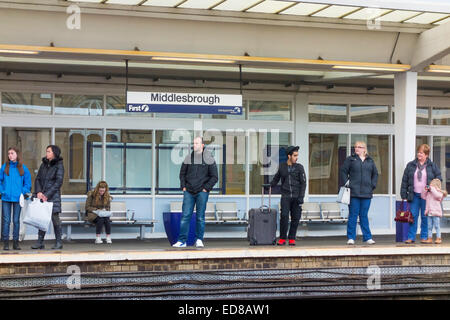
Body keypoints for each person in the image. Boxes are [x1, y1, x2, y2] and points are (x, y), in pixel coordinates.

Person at [172, 136, 218, 248]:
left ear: (202, 145)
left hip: (202, 192)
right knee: (185, 216)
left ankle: (199, 240)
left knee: (200, 217)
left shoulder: (209, 159)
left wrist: (206, 188)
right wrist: (183, 187)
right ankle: (182, 241)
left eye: (197, 143)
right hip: (189, 192)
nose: (194, 145)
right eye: (194, 143)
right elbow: (182, 174)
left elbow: (214, 177)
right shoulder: (188, 158)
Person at [400, 144, 442, 244]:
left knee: (425, 216)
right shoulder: (411, 165)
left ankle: (424, 237)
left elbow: (439, 178)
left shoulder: (432, 166)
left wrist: (432, 187)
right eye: (418, 152)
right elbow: (405, 180)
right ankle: (411, 237)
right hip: (414, 194)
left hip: (427, 196)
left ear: (426, 155)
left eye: (421, 153)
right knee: (413, 216)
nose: (419, 154)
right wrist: (403, 195)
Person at [340, 141, 378, 245]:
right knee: (353, 215)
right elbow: (343, 171)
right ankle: (351, 237)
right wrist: (347, 183)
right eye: (355, 147)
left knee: (364, 215)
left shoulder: (370, 161)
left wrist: (372, 185)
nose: (357, 149)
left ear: (364, 149)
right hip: (354, 193)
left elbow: (375, 174)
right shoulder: (350, 159)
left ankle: (367, 237)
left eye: (359, 147)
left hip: (366, 193)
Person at [270, 146, 306, 246]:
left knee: (296, 218)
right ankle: (282, 238)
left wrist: (301, 197)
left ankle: (292, 238)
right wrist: (270, 185)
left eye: (297, 155)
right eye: (295, 155)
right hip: (285, 196)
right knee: (284, 217)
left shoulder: (300, 167)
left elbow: (303, 183)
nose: (296, 157)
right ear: (289, 156)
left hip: (296, 196)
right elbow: (276, 178)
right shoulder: (282, 166)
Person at [31, 145, 64, 250]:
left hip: (53, 197)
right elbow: (38, 179)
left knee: (55, 220)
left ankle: (59, 242)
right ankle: (40, 242)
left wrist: (47, 195)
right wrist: (39, 192)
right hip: (43, 196)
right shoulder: (44, 164)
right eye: (46, 151)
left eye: (49, 151)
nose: (47, 153)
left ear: (54, 153)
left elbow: (58, 182)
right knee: (42, 219)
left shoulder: (59, 165)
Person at [0, 147, 32, 250]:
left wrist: (22, 192)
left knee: (16, 220)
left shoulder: (23, 168)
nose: (10, 155)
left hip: (18, 199)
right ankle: (5, 243)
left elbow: (27, 183)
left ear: (17, 155)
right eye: (9, 153)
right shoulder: (4, 167)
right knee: (6, 220)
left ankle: (15, 243)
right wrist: (2, 191)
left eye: (12, 153)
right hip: (6, 198)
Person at [420, 179, 447, 244]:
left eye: (432, 184)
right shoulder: (429, 193)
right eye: (430, 184)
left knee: (437, 226)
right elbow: (423, 196)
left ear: (436, 185)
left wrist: (433, 189)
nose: (430, 185)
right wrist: (425, 190)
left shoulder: (439, 192)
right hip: (429, 212)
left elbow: (437, 196)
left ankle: (438, 238)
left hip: (436, 213)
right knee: (429, 226)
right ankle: (430, 238)